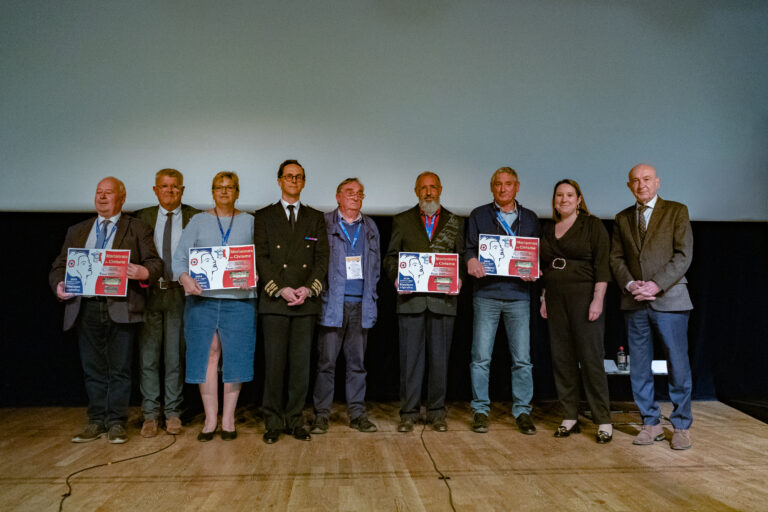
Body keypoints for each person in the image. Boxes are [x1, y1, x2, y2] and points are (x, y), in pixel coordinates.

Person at [49, 177, 163, 444]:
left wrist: (142, 271)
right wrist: (59, 286)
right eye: (98, 192)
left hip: (121, 307)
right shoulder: (77, 230)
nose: (101, 197)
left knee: (120, 369)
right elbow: (58, 267)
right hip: (85, 307)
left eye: (108, 193)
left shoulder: (137, 228)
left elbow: (155, 264)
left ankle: (116, 422)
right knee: (93, 369)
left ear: (121, 198)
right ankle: (96, 420)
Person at [609, 163, 694, 450]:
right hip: (634, 301)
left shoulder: (677, 211)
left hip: (669, 299)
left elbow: (684, 255)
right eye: (635, 180)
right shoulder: (622, 218)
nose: (641, 184)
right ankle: (650, 423)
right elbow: (616, 258)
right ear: (629, 186)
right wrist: (632, 285)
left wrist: (656, 285)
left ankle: (681, 425)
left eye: (646, 179)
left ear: (657, 182)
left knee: (678, 364)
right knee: (639, 367)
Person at [173, 171, 256, 442]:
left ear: (237, 192)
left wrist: (255, 275)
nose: (224, 192)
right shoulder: (197, 220)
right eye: (219, 187)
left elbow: (261, 259)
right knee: (207, 356)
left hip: (239, 301)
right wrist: (184, 278)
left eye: (229, 187)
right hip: (202, 300)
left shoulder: (250, 221)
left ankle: (229, 420)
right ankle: (210, 420)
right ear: (212, 192)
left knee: (235, 357)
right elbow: (179, 260)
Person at [254, 160, 329, 444]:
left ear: (304, 182)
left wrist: (308, 289)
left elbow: (322, 259)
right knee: (274, 366)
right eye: (289, 176)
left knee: (300, 367)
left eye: (298, 177)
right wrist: (281, 289)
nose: (293, 181)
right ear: (279, 180)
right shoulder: (264, 216)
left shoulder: (314, 217)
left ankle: (295, 420)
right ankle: (273, 421)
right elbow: (262, 257)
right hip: (275, 301)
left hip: (304, 302)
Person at [383, 171, 464, 433]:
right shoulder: (402, 220)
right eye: (423, 188)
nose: (428, 192)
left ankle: (437, 413)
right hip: (411, 300)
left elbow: (462, 257)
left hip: (443, 301)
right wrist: (397, 277)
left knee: (440, 361)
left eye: (433, 187)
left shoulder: (455, 221)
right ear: (416, 191)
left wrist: (459, 277)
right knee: (410, 360)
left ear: (440, 189)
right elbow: (391, 257)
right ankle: (408, 413)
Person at [466, 167, 539, 435]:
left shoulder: (530, 218)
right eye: (498, 184)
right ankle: (480, 410)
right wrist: (470, 259)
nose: (503, 188)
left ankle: (522, 411)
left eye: (508, 184)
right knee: (480, 358)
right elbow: (469, 248)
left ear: (517, 186)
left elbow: (536, 253)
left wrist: (536, 269)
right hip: (486, 295)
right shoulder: (478, 215)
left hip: (519, 296)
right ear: (491, 186)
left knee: (522, 359)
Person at [539, 179, 613, 443]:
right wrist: (544, 297)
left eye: (570, 195)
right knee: (562, 358)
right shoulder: (548, 229)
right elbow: (546, 268)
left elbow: (602, 265)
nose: (564, 199)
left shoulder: (592, 225)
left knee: (591, 359)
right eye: (559, 195)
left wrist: (598, 299)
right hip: (555, 298)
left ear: (579, 199)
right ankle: (569, 415)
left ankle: (603, 420)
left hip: (585, 298)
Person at [310, 178, 380, 434]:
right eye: (350, 193)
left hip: (361, 306)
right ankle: (321, 415)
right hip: (333, 306)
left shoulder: (370, 225)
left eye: (360, 193)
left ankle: (357, 415)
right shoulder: (325, 223)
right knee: (326, 364)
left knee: (357, 365)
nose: (355, 197)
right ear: (338, 196)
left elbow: (377, 269)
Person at [134, 168, 200, 437]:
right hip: (149, 293)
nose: (170, 191)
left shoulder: (196, 216)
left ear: (182, 190)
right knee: (148, 357)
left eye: (175, 187)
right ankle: (150, 414)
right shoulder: (142, 217)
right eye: (164, 186)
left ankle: (173, 412)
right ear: (155, 190)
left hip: (178, 293)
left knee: (175, 356)